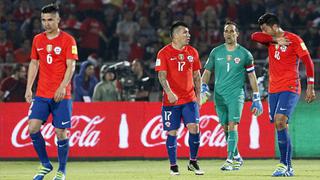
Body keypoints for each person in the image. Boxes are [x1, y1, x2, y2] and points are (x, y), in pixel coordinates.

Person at [251, 13, 316, 177]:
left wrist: (310, 86)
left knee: (280, 121)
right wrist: (274, 40)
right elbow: (253, 36)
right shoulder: (269, 41)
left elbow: (308, 62)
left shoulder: (294, 39)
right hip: (274, 89)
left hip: (290, 86)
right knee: (280, 125)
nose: (263, 32)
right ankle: (289, 167)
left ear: (274, 27)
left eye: (265, 29)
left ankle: (283, 164)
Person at [24, 4, 78, 180]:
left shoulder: (68, 40)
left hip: (62, 94)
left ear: (58, 20)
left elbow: (71, 66)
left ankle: (61, 170)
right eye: (43, 20)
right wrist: (29, 87)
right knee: (33, 128)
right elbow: (34, 63)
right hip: (42, 93)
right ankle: (46, 164)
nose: (46, 24)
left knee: (61, 132)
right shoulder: (38, 40)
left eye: (50, 20)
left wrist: (62, 87)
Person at [201, 20, 263, 171]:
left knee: (232, 124)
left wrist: (256, 97)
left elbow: (252, 76)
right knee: (225, 128)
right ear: (223, 34)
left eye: (231, 31)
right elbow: (207, 71)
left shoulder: (245, 54)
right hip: (219, 95)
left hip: (236, 94)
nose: (229, 34)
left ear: (237, 34)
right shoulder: (216, 52)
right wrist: (203, 87)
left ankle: (229, 160)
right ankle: (237, 157)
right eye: (226, 31)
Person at [155, 21, 204, 176]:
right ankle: (173, 165)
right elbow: (161, 76)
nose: (188, 35)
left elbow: (197, 76)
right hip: (171, 101)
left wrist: (199, 95)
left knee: (194, 128)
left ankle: (193, 162)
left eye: (188, 33)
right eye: (185, 32)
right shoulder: (163, 53)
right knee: (172, 132)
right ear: (175, 35)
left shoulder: (193, 52)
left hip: (189, 99)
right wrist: (168, 92)